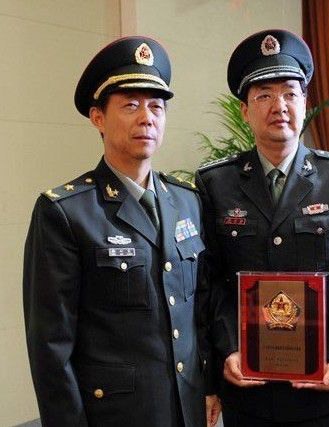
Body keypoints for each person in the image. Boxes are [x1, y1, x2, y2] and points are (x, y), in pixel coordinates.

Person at [23, 36, 219, 427]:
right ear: (98, 117)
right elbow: (51, 347)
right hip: (115, 415)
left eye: (156, 107)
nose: (147, 118)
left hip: (186, 408)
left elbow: (200, 308)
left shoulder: (187, 201)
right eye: (131, 105)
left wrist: (209, 384)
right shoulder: (66, 212)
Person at [195, 29, 329, 426]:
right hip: (249, 385)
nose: (278, 106)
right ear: (244, 110)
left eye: (289, 94)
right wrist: (229, 347)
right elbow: (208, 279)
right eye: (264, 96)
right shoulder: (216, 183)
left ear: (305, 103)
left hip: (325, 384)